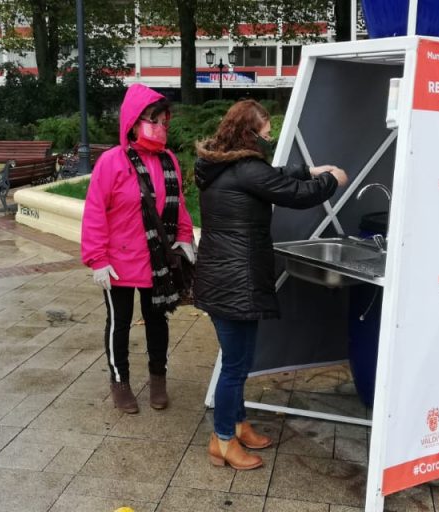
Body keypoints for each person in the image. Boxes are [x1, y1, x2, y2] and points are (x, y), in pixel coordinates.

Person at [193, 99, 347, 470]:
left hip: (222, 278)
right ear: (248, 134)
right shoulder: (245, 168)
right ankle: (223, 440)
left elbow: (274, 176)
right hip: (236, 281)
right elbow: (296, 195)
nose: (268, 139)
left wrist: (308, 169)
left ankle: (237, 424)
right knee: (236, 365)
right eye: (264, 134)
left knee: (239, 361)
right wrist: (331, 180)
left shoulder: (221, 164)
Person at [81, 84, 195, 414]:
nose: (160, 127)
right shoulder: (111, 162)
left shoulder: (168, 160)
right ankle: (120, 383)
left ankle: (158, 380)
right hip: (117, 262)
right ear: (134, 121)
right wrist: (97, 259)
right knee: (119, 323)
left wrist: (184, 238)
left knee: (157, 322)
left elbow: (180, 205)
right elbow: (95, 211)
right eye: (153, 120)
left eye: (164, 121)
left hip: (156, 260)